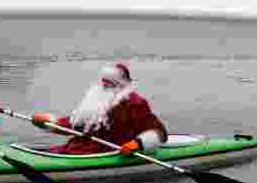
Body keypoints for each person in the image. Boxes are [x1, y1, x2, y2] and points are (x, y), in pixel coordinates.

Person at [32, 63, 168, 155]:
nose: (104, 84)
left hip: (109, 151)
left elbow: (159, 132)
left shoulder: (135, 103)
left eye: (109, 81)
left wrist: (138, 144)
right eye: (103, 80)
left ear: (121, 83)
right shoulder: (95, 100)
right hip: (79, 148)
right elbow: (73, 125)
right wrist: (49, 123)